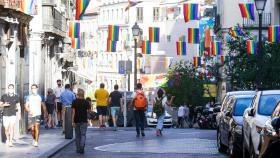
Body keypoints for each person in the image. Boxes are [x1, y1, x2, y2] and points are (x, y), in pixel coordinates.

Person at [72, 89, 91, 154]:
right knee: (83, 134)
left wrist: (72, 121)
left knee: (77, 135)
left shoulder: (74, 101)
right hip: (84, 120)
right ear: (83, 94)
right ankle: (82, 146)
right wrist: (88, 119)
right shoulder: (86, 102)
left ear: (77, 94)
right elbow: (89, 112)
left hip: (76, 120)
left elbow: (73, 113)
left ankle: (78, 148)